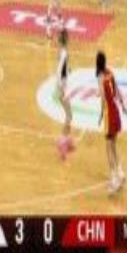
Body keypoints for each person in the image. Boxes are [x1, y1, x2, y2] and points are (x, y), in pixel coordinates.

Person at [96, 51, 127, 192]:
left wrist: (100, 114)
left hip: (109, 113)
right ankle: (120, 172)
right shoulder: (110, 73)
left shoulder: (100, 77)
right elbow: (118, 90)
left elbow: (103, 98)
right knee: (114, 145)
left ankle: (114, 179)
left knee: (108, 148)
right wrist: (123, 105)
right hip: (115, 109)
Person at [55, 29, 74, 160]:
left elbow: (62, 68)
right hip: (62, 85)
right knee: (69, 115)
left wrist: (67, 70)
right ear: (66, 39)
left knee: (69, 115)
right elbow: (59, 70)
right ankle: (63, 143)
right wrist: (60, 87)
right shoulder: (64, 52)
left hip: (62, 84)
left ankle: (67, 141)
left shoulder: (63, 51)